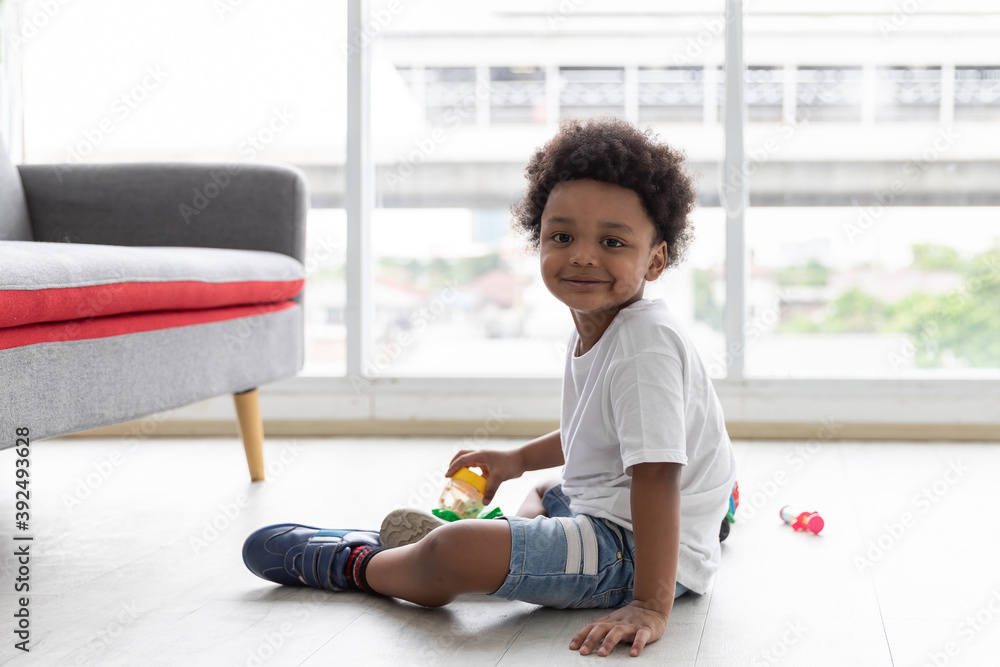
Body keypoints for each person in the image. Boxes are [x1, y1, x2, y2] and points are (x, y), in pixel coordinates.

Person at [242, 117, 738, 658]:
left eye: (612, 241)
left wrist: (650, 605)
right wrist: (516, 458)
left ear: (657, 259)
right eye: (562, 236)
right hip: (614, 517)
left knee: (456, 549)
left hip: (634, 551)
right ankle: (506, 552)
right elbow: (596, 432)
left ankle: (361, 563)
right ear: (539, 240)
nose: (582, 255)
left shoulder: (644, 343)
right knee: (548, 493)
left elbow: (657, 474)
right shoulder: (608, 326)